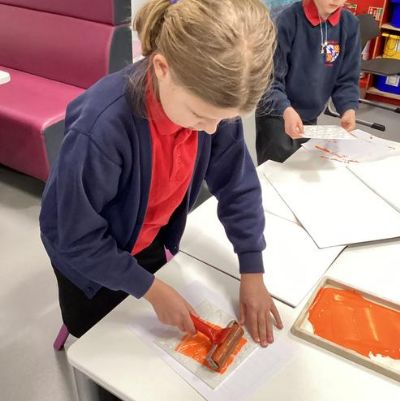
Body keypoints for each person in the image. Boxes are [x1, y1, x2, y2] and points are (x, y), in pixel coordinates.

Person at [39, 0, 283, 348]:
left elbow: (237, 185)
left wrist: (252, 268)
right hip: (87, 262)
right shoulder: (101, 128)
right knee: (105, 350)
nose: (211, 130)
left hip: (147, 238)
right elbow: (74, 237)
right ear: (162, 68)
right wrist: (150, 289)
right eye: (200, 116)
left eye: (224, 120)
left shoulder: (209, 107)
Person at [256, 0, 361, 164]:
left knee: (302, 167)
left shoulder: (350, 25)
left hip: (310, 117)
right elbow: (269, 80)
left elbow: (347, 78)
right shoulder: (286, 20)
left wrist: (348, 108)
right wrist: (285, 109)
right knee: (275, 170)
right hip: (276, 113)